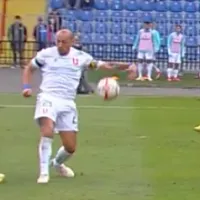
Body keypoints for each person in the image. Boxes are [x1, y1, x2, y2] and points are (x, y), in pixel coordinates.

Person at [22, 29, 136, 184]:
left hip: (68, 102)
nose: (60, 45)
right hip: (48, 97)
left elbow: (105, 65)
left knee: (70, 147)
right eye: (58, 41)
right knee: (47, 131)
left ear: (72, 42)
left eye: (64, 42)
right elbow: (29, 68)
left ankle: (57, 163)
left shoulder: (81, 57)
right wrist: (26, 86)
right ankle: (43, 173)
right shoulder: (46, 54)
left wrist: (128, 65)